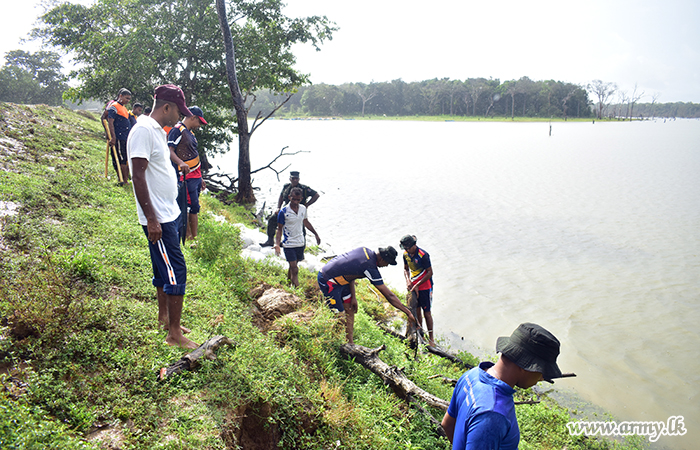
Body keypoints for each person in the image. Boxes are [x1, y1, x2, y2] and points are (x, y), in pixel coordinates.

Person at [127, 83, 198, 349]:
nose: (180, 116)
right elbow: (138, 175)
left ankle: (166, 319)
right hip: (159, 217)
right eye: (178, 111)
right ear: (166, 107)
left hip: (168, 213)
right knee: (176, 270)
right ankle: (174, 335)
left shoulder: (158, 130)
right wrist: (152, 218)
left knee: (161, 267)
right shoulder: (144, 130)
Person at [441, 323, 567, 449]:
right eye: (541, 370)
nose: (542, 378)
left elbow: (447, 424)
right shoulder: (492, 415)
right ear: (525, 365)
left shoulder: (472, 375)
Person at [318, 246, 417, 344]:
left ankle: (350, 343)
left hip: (343, 281)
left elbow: (351, 272)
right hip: (329, 280)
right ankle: (334, 343)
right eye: (387, 263)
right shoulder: (369, 266)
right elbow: (389, 296)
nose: (386, 266)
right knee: (340, 316)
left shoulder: (365, 251)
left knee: (350, 309)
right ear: (382, 259)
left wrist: (354, 297)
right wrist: (408, 312)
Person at [167, 105, 207, 244]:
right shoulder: (177, 131)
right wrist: (180, 163)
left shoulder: (190, 133)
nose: (200, 125)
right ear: (193, 117)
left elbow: (194, 155)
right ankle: (188, 236)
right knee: (187, 206)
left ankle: (194, 237)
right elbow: (169, 151)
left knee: (195, 207)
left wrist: (201, 177)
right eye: (199, 122)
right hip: (186, 177)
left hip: (196, 176)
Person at [274, 187, 321, 287]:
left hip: (300, 242)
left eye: (298, 200)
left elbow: (306, 222)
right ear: (289, 197)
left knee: (294, 265)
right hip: (289, 243)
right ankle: (296, 289)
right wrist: (277, 244)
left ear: (301, 199)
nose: (295, 202)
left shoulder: (303, 209)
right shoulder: (283, 212)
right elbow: (279, 229)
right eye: (293, 199)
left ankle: (288, 281)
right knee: (295, 269)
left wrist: (316, 234)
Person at [261, 171, 319, 247]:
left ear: (299, 179)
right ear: (290, 179)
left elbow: (316, 195)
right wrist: (278, 207)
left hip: (298, 211)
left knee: (301, 227)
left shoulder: (304, 189)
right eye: (293, 178)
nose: (295, 180)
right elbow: (281, 197)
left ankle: (302, 246)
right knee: (272, 219)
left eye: (296, 178)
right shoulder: (286, 187)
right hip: (286, 209)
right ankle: (270, 240)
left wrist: (307, 204)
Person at [400, 234, 436, 346]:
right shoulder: (405, 254)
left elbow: (430, 272)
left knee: (427, 312)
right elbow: (406, 269)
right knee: (417, 309)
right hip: (413, 285)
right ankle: (421, 334)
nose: (407, 250)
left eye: (409, 248)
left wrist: (418, 285)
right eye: (405, 248)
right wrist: (408, 281)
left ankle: (431, 339)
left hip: (425, 286)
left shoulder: (423, 255)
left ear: (414, 245)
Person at [101, 88, 133, 184]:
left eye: (129, 99)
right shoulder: (113, 107)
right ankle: (121, 179)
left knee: (125, 158)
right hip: (118, 137)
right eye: (126, 98)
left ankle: (125, 179)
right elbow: (110, 122)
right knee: (120, 159)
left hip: (125, 137)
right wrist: (113, 137)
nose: (127, 100)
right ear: (120, 96)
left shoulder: (124, 108)